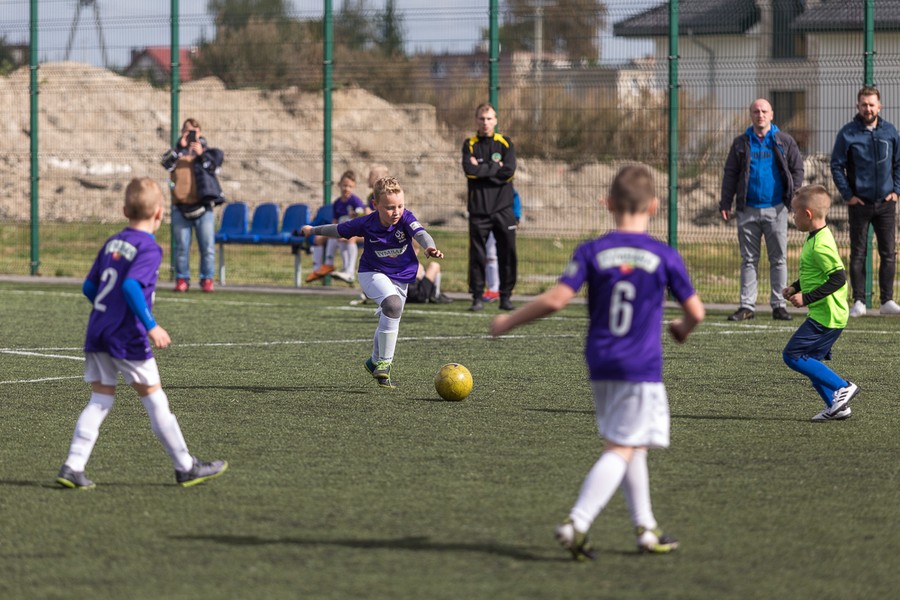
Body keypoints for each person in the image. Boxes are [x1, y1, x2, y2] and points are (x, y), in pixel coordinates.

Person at [490, 165, 705, 561]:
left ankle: (645, 528)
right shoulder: (663, 254)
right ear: (654, 207)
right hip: (640, 367)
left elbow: (556, 299)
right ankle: (577, 522)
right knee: (623, 446)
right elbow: (696, 311)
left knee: (631, 443)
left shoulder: (593, 250)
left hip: (601, 361)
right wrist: (682, 328)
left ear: (607, 204)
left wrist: (508, 320)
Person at [56, 177, 228, 489]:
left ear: (124, 210)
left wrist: (108, 309)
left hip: (98, 329)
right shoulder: (148, 247)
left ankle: (73, 465)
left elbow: (89, 286)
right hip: (127, 335)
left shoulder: (112, 242)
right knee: (155, 399)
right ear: (160, 214)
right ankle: (185, 466)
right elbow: (132, 285)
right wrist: (151, 325)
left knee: (100, 398)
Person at [301, 176, 443, 389]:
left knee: (391, 314)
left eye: (400, 206)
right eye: (389, 208)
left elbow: (421, 233)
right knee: (393, 305)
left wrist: (429, 247)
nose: (396, 212)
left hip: (400, 277)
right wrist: (313, 230)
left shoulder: (405, 218)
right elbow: (338, 229)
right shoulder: (366, 223)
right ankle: (384, 365)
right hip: (372, 273)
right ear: (375, 205)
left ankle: (374, 361)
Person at [720, 98, 804, 322]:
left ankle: (779, 305)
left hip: (776, 209)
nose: (760, 115)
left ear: (772, 114)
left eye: (764, 111)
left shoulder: (784, 141)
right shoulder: (741, 142)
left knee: (778, 259)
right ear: (751, 115)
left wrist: (793, 198)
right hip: (747, 209)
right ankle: (747, 306)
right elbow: (730, 174)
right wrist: (725, 202)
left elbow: (797, 169)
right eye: (756, 111)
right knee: (748, 259)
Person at [782, 185, 859, 421]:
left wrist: (806, 298)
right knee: (810, 360)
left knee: (792, 355)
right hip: (826, 314)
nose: (792, 216)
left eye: (794, 212)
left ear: (807, 214)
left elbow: (838, 278)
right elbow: (815, 274)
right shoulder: (815, 237)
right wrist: (796, 286)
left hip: (827, 315)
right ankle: (837, 407)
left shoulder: (820, 244)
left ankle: (843, 386)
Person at [830, 86, 900, 317]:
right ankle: (859, 300)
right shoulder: (848, 133)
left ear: (880, 106)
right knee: (858, 253)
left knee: (888, 253)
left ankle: (887, 301)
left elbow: (899, 163)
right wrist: (848, 195)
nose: (868, 108)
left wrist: (896, 191)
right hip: (859, 204)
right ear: (857, 106)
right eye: (864, 104)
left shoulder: (890, 132)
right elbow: (836, 165)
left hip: (886, 204)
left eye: (872, 104)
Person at [463, 102, 517, 312]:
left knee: (508, 253)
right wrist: (496, 168)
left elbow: (510, 172)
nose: (485, 123)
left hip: (503, 209)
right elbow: (469, 171)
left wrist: (483, 169)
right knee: (477, 255)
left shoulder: (506, 143)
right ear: (476, 120)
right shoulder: (469, 144)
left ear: (495, 120)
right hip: (478, 210)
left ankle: (506, 296)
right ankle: (477, 296)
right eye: (481, 119)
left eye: (489, 119)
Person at [160, 118, 225, 293]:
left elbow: (213, 168)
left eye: (194, 131)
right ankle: (182, 278)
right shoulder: (176, 154)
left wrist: (201, 153)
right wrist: (179, 148)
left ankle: (207, 279)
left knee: (207, 247)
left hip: (203, 208)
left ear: (200, 133)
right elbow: (165, 163)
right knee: (181, 247)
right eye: (187, 131)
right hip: (181, 207)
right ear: (182, 132)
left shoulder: (209, 153)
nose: (190, 135)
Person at [307, 170, 367, 284]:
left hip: (355, 231)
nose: (346, 188)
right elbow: (334, 222)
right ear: (339, 185)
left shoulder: (355, 201)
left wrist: (357, 213)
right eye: (344, 185)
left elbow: (361, 214)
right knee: (320, 239)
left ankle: (349, 271)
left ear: (354, 187)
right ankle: (320, 268)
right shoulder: (337, 203)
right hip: (342, 230)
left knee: (344, 238)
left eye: (350, 186)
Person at [483, 188, 522, 302]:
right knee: (488, 254)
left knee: (499, 254)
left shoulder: (505, 183)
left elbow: (514, 196)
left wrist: (516, 216)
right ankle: (493, 287)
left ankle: (498, 288)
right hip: (486, 219)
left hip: (503, 220)